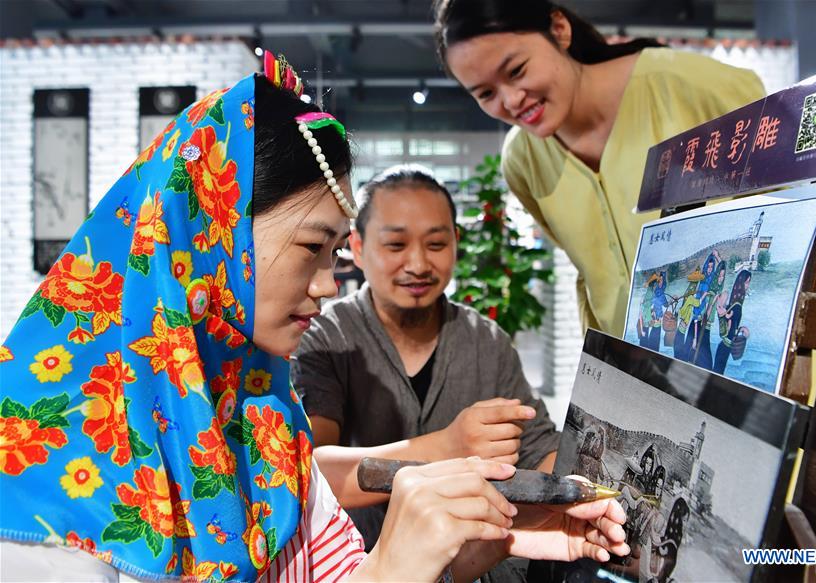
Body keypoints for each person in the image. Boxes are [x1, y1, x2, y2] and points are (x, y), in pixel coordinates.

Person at [0, 54, 629, 582]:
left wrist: (483, 534)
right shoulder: (46, 485)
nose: (327, 284)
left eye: (438, 243)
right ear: (211, 235)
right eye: (312, 249)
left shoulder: (255, 406)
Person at [434, 0, 766, 334]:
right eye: (486, 93)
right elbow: (592, 273)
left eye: (517, 70)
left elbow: (798, 217)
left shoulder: (692, 86)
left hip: (736, 352)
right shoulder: (522, 160)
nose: (510, 101)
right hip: (627, 371)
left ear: (559, 30)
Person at [293, 165, 560, 558]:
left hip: (476, 564)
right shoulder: (327, 338)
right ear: (359, 246)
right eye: (396, 246)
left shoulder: (486, 342)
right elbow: (309, 472)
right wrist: (447, 445)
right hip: (366, 565)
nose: (418, 264)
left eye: (435, 245)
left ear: (456, 242)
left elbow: (542, 450)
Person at [714, 269, 752, 374]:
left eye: (749, 282)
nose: (748, 285)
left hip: (725, 346)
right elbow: (728, 329)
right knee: (717, 374)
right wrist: (723, 315)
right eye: (747, 282)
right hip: (725, 346)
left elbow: (732, 328)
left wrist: (741, 330)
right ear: (741, 282)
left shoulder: (735, 304)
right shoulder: (736, 306)